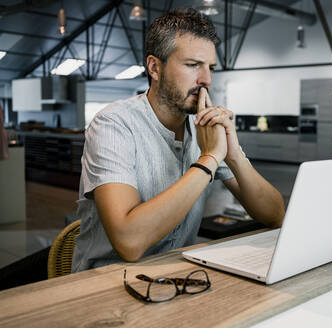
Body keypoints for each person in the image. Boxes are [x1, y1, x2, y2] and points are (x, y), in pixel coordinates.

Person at [71, 8, 285, 272]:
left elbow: (274, 215)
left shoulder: (204, 129)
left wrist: (232, 153)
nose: (206, 80)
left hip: (177, 277)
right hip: (104, 282)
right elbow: (129, 242)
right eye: (193, 65)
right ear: (154, 67)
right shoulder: (114, 123)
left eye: (211, 68)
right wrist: (209, 159)